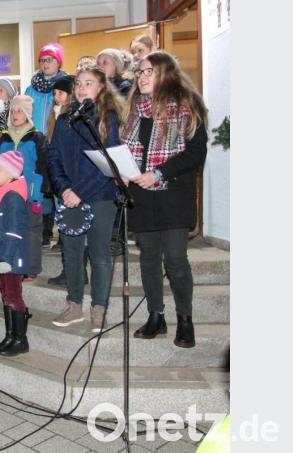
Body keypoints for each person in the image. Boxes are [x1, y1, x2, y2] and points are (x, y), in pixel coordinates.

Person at [121, 51, 208, 348]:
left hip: (173, 195)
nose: (142, 77)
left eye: (149, 72)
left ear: (166, 74)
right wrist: (122, 171)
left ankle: (185, 320)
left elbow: (196, 154)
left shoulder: (187, 105)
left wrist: (158, 173)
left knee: (175, 259)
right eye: (140, 72)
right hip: (142, 195)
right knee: (148, 260)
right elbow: (130, 150)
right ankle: (156, 316)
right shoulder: (134, 108)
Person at [48, 66, 125, 333]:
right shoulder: (64, 119)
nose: (81, 88)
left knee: (99, 253)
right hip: (69, 196)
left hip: (100, 195)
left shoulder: (108, 117)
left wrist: (79, 191)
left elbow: (109, 162)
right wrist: (65, 189)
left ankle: (99, 308)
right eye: (78, 84)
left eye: (88, 83)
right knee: (72, 252)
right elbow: (54, 157)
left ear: (102, 88)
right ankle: (74, 305)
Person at [0, 151, 31, 356]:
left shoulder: (13, 197)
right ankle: (10, 336)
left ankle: (21, 340)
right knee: (6, 296)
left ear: (11, 173)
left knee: (13, 296)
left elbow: (14, 230)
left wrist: (6, 258)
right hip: (1, 256)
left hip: (10, 258)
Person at [0, 95, 48, 280]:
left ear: (27, 113)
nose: (16, 114)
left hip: (29, 192)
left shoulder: (36, 138)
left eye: (20, 111)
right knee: (9, 228)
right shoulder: (4, 137)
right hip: (8, 193)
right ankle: (12, 263)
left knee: (31, 230)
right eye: (13, 111)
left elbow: (42, 168)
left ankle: (31, 266)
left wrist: (37, 196)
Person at [43, 75, 75, 252]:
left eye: (61, 93)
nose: (57, 97)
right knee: (60, 209)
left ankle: (66, 242)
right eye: (55, 93)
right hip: (58, 174)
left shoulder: (72, 117)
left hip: (69, 175)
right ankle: (63, 239)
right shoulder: (54, 116)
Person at [25, 43, 67, 135]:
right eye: (42, 60)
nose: (45, 63)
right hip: (34, 139)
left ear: (59, 62)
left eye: (49, 60)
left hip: (57, 139)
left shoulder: (67, 87)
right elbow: (25, 117)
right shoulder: (30, 90)